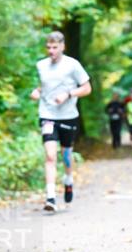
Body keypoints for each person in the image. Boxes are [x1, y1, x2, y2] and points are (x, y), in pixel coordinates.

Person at [31, 31, 91, 211]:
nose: (51, 51)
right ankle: (50, 197)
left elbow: (87, 88)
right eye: (48, 47)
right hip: (47, 114)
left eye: (55, 47)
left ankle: (68, 178)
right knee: (50, 155)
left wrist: (69, 94)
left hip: (68, 115)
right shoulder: (41, 65)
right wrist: (37, 92)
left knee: (66, 155)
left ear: (63, 47)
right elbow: (45, 85)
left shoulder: (73, 65)